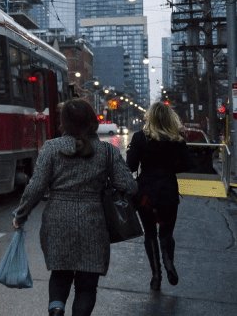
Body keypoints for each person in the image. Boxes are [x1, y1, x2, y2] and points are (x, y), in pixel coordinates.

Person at [12, 99, 137, 316]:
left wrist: (21, 215)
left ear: (65, 123)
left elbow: (36, 187)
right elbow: (129, 186)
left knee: (60, 274)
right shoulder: (107, 152)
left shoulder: (51, 147)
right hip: (94, 222)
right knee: (87, 284)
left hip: (57, 220)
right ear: (93, 121)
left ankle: (56, 310)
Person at [126, 101, 193, 291]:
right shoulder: (177, 140)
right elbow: (188, 164)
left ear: (150, 117)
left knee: (150, 234)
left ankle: (156, 275)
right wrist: (170, 168)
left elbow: (130, 166)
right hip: (168, 192)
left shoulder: (140, 138)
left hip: (146, 193)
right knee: (166, 232)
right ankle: (169, 262)